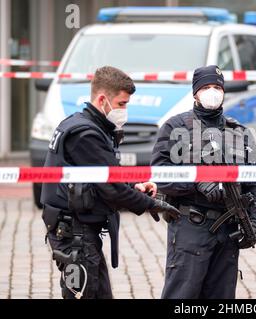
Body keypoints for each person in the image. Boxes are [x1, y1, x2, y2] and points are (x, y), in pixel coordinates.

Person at [41, 66, 180, 299]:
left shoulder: (84, 124)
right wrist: (151, 204)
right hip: (74, 234)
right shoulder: (86, 134)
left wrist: (133, 186)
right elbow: (112, 188)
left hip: (79, 231)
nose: (124, 111)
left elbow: (108, 176)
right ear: (103, 99)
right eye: (122, 104)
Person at [151, 65, 256, 299]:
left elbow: (254, 182)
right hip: (191, 225)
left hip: (229, 229)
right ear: (195, 93)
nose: (212, 92)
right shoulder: (176, 127)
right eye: (206, 87)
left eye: (217, 87)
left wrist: (254, 219)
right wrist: (196, 182)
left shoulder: (240, 132)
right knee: (182, 295)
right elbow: (161, 174)